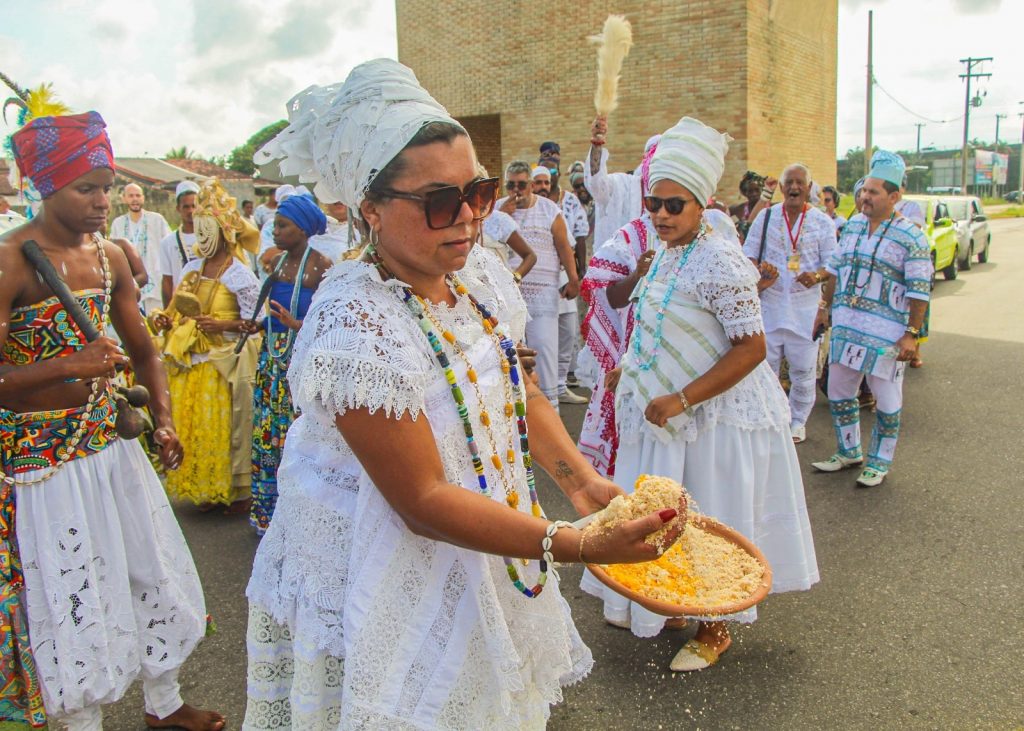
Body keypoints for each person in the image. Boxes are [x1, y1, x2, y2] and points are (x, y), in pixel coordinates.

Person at [243, 59, 684, 730]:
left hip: (480, 535)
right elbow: (420, 500)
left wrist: (583, 481)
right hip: (385, 560)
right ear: (371, 208)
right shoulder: (353, 320)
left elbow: (517, 384)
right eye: (440, 201)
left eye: (476, 192)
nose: (471, 217)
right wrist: (577, 543)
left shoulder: (474, 272)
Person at [2, 111, 221, 730]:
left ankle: (164, 702)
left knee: (147, 569)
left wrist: (166, 419)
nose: (103, 201)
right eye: (86, 188)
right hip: (45, 466)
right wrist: (65, 364)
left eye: (107, 186)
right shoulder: (10, 263)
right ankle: (83, 722)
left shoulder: (111, 257)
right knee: (72, 592)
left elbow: (146, 352)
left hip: (111, 445)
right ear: (48, 186)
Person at [582, 116, 819, 671]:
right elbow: (656, 322)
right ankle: (681, 603)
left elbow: (751, 348)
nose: (660, 215)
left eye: (673, 205)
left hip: (714, 418)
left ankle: (716, 626)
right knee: (671, 518)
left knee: (713, 516)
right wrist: (627, 370)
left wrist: (683, 398)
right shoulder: (666, 253)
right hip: (663, 411)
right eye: (653, 204)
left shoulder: (720, 258)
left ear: (701, 204)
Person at [811, 151, 932, 487]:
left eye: (874, 192)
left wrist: (911, 333)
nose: (864, 196)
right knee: (838, 391)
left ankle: (880, 461)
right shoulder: (851, 226)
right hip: (847, 328)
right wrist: (825, 309)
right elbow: (835, 269)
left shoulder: (912, 236)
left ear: (894, 197)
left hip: (887, 335)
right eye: (863, 190)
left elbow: (920, 290)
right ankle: (849, 451)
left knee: (887, 400)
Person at [152, 180, 262, 512]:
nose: (201, 237)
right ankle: (206, 488)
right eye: (198, 229)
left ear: (224, 232)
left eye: (207, 229)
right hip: (193, 363)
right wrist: (164, 319)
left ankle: (234, 493)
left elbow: (257, 322)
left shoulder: (240, 275)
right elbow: (175, 308)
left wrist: (223, 325)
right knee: (198, 429)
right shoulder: (192, 269)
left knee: (226, 430)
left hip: (223, 363)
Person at [250, 193, 331, 535]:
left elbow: (329, 319)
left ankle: (304, 516)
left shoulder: (322, 266)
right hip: (273, 357)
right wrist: (257, 325)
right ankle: (269, 514)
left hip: (302, 359)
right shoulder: (277, 263)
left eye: (283, 225)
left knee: (300, 433)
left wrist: (298, 326)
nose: (276, 232)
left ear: (302, 228)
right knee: (270, 432)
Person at [742, 164, 836, 444]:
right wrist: (760, 271)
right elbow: (748, 254)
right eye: (789, 183)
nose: (794, 188)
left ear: (809, 188)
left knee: (803, 369)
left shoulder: (822, 222)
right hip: (769, 305)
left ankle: (797, 421)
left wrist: (817, 276)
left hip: (804, 308)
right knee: (765, 368)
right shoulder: (767, 217)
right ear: (782, 188)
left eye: (800, 183)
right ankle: (772, 417)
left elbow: (833, 262)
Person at [498, 161, 579, 407]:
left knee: (544, 348)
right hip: (508, 293)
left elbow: (564, 246)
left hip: (543, 292)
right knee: (512, 352)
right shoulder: (499, 209)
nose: (516, 190)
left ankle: (550, 409)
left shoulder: (548, 209)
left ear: (532, 185)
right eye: (510, 185)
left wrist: (574, 280)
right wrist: (504, 215)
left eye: (521, 185)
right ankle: (521, 410)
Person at [584, 116, 660, 253]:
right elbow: (597, 186)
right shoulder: (623, 184)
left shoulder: (676, 196)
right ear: (645, 159)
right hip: (620, 264)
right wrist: (597, 144)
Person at [109, 182, 171, 314]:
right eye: (131, 196)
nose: (135, 199)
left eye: (138, 195)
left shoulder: (157, 220)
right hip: (129, 283)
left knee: (156, 321)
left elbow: (169, 246)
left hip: (155, 279)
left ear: (143, 198)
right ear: (124, 199)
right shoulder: (118, 223)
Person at [159, 180, 200, 307]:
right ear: (178, 208)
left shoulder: (211, 238)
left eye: (194, 206)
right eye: (186, 207)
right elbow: (167, 280)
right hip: (181, 304)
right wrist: (167, 312)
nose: (190, 211)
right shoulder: (168, 242)